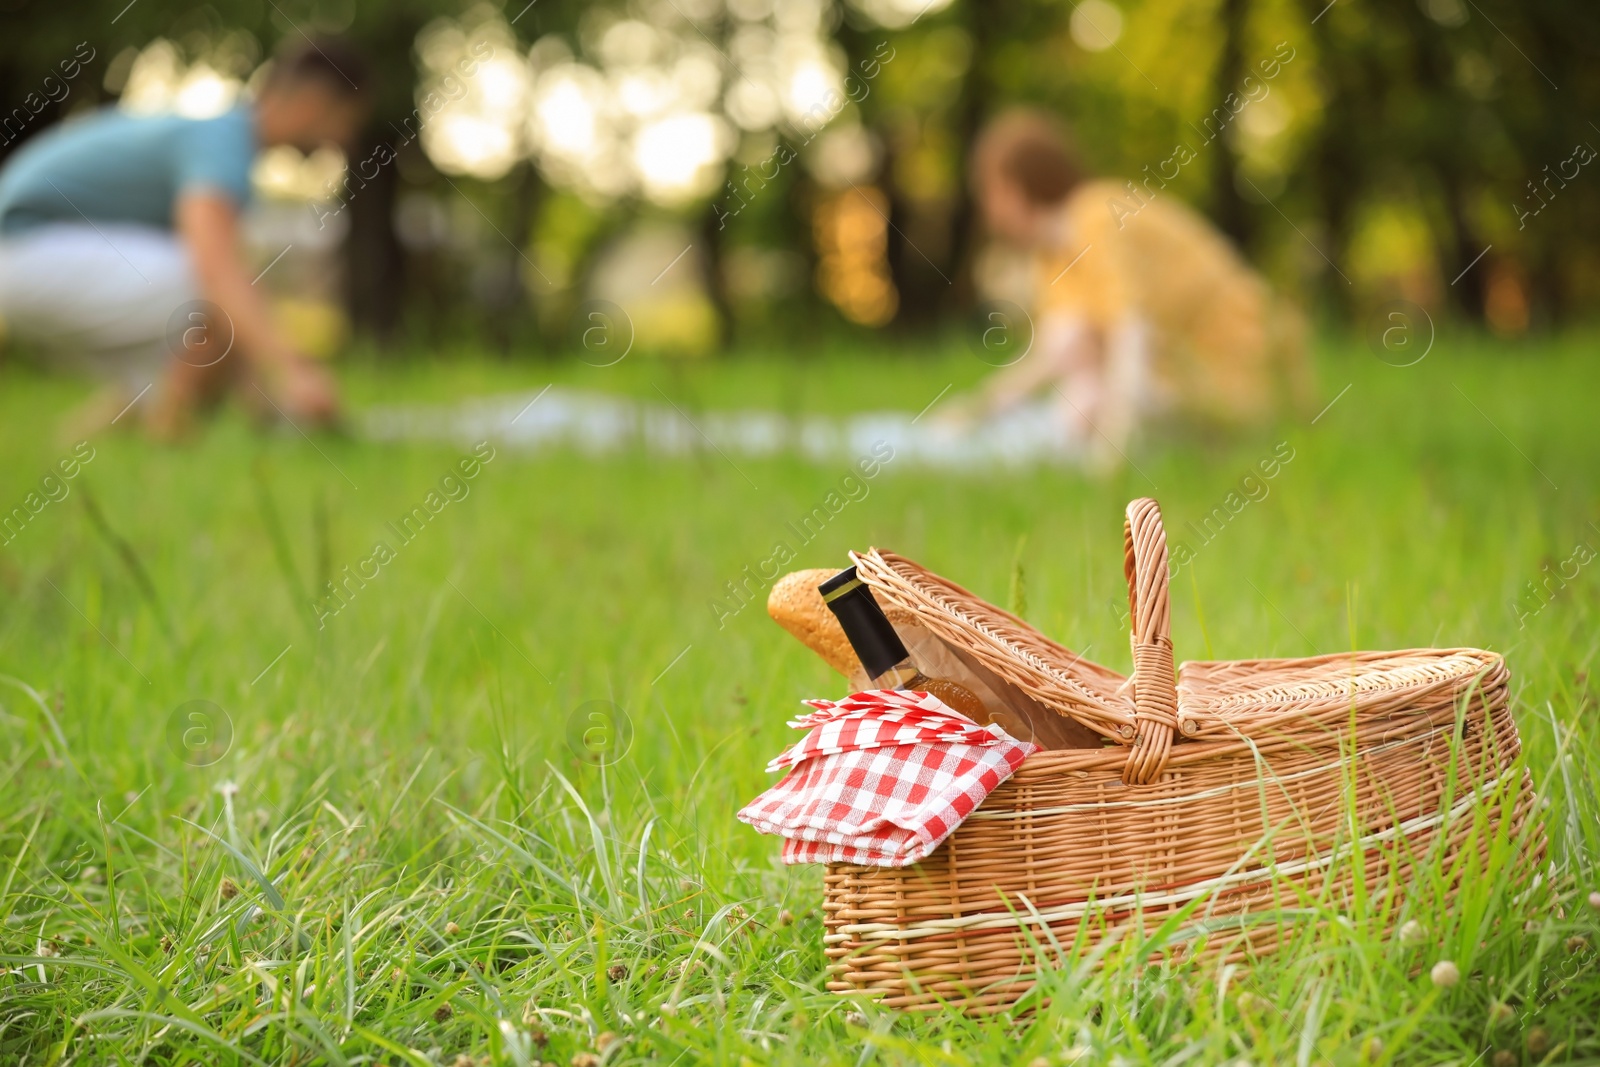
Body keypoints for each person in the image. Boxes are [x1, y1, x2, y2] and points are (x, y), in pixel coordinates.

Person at [0, 39, 367, 438]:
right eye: (346, 120)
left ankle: (89, 446)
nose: (344, 139)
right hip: (25, 249)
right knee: (221, 296)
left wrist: (262, 396)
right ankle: (166, 435)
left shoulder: (221, 139)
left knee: (204, 333)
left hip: (36, 260)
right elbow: (217, 269)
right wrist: (290, 370)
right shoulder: (224, 141)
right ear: (313, 103)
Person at [951, 108, 1310, 467]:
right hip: (1180, 373)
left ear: (1013, 189)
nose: (987, 209)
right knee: (1074, 360)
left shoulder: (1094, 216)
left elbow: (1131, 330)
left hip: (1242, 377)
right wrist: (979, 409)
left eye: (988, 191)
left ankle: (1170, 447)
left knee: (1086, 403)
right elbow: (1059, 353)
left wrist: (1113, 444)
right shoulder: (1052, 254)